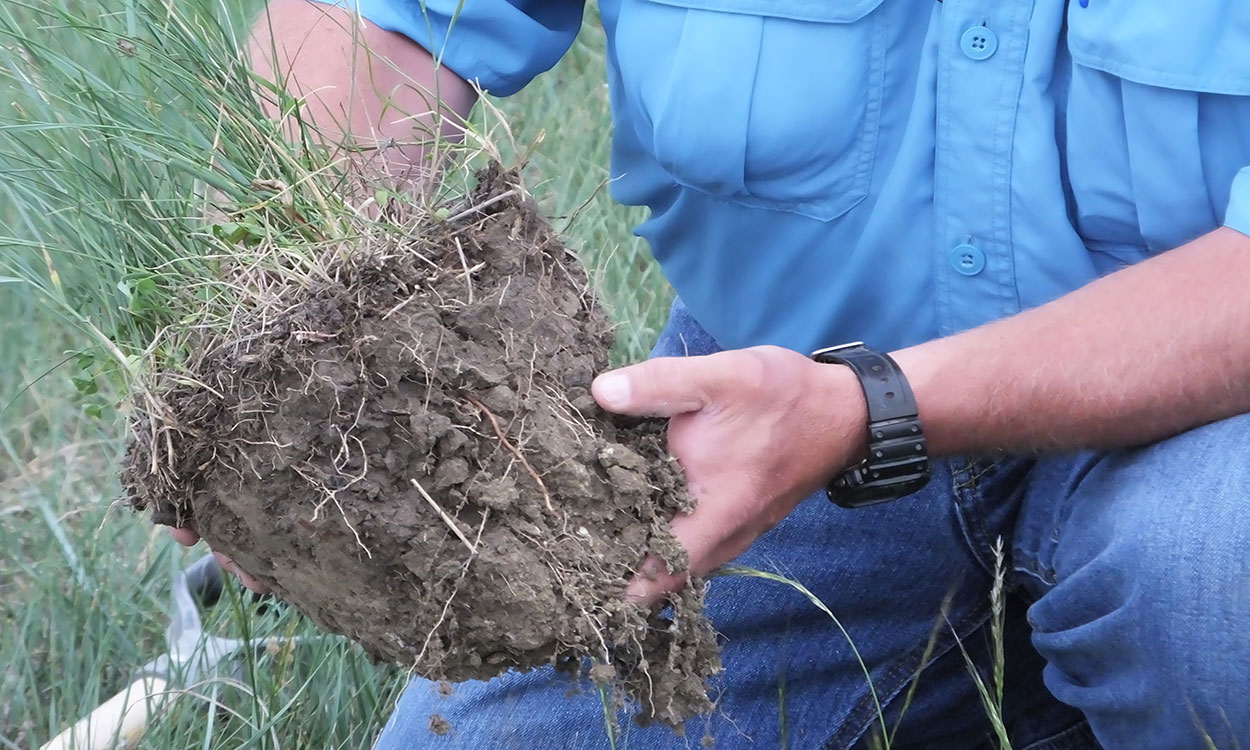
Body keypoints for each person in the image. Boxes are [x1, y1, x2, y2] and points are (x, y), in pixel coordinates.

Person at [172, 0, 1250, 747]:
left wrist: (862, 408)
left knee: (1209, 590)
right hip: (759, 411)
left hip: (1190, 427)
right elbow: (383, 27)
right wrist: (280, 339)